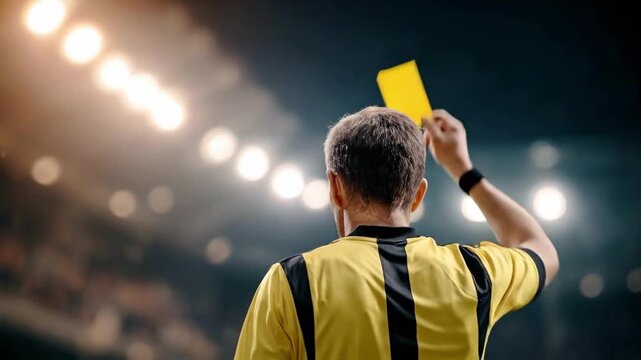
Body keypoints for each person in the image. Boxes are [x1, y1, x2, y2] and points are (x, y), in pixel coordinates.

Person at [234, 107, 559, 360]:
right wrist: (463, 169)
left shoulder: (292, 281)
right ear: (418, 195)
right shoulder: (473, 273)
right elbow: (540, 247)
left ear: (335, 188)